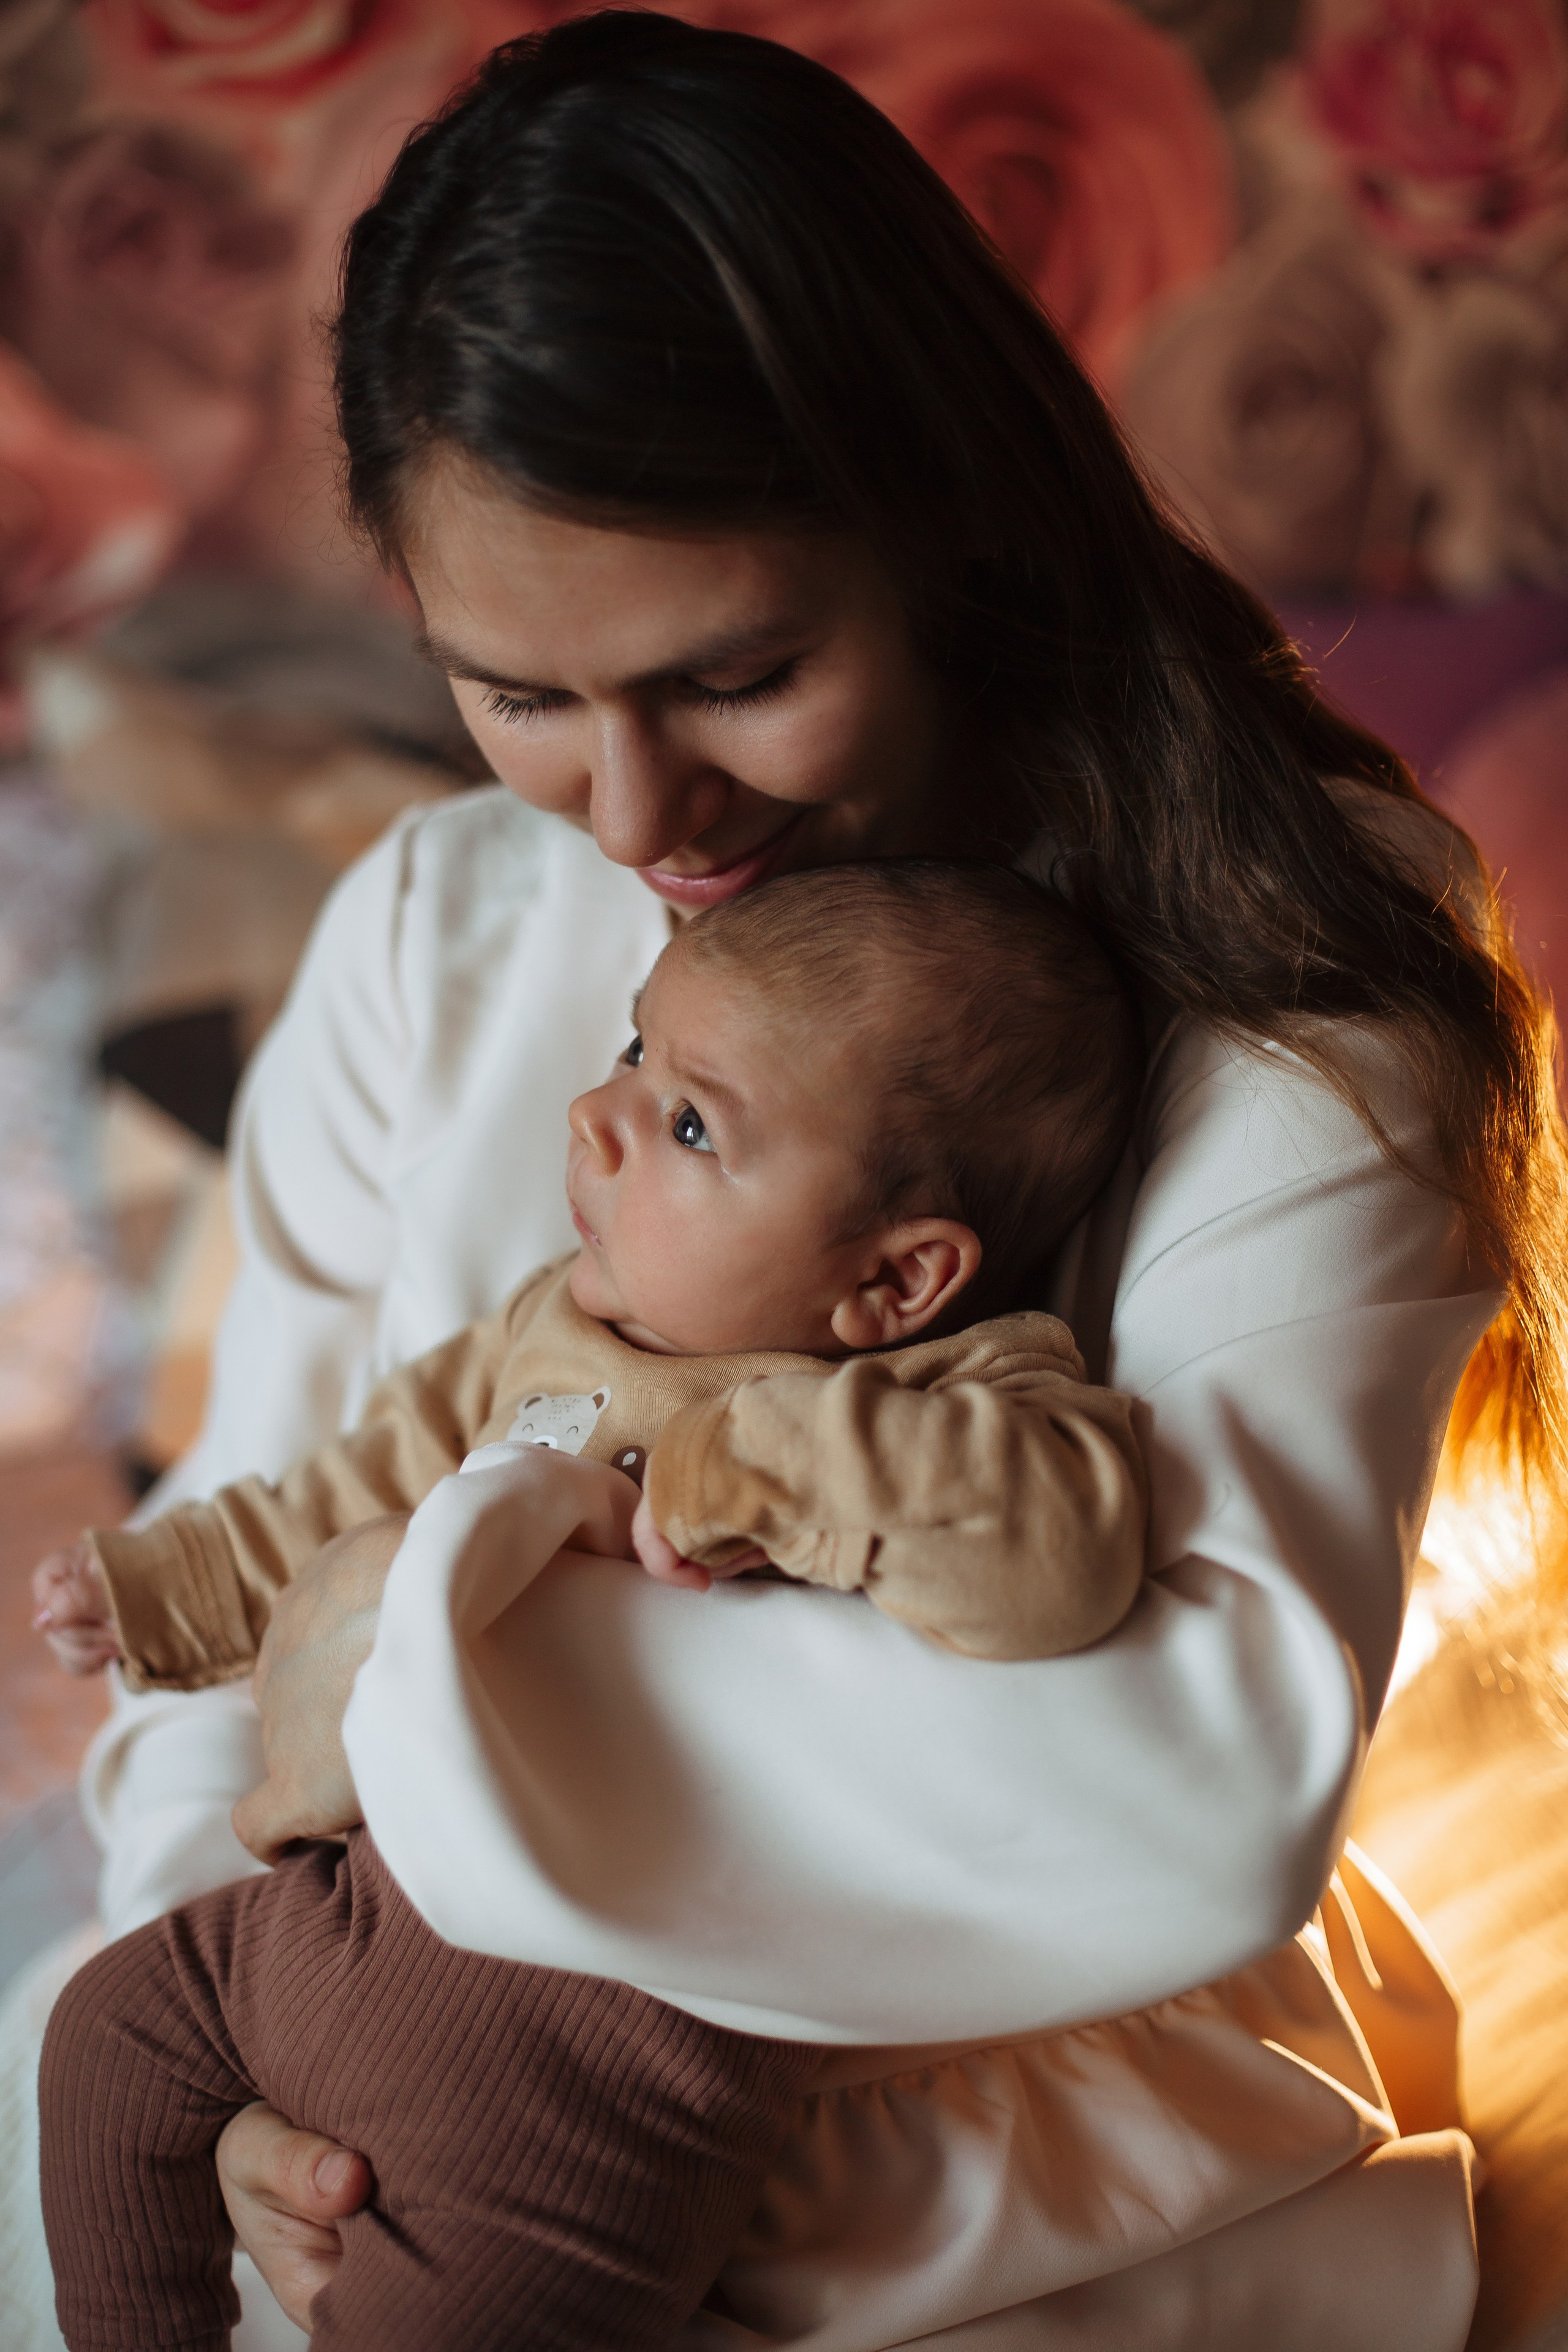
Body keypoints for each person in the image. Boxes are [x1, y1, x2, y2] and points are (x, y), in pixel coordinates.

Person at [12, 12, 1561, 2348]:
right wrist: (237, 2076)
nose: (638, 822)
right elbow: (222, 1631)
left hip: (1034, 2216)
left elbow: (1186, 1787)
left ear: (939, 517)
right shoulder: (439, 928)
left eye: (735, 672)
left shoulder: (1279, 970)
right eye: (519, 695)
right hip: (354, 2108)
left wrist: (391, 1659)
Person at [37, 860, 1149, 2352]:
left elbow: (1054, 1549)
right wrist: (159, 1589)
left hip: (589, 2065)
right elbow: (338, 1493)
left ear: (894, 1283)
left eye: (689, 1123)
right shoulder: (543, 1327)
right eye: (634, 1053)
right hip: (339, 1924)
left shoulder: (948, 1394)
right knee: (104, 2036)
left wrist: (745, 1461)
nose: (597, 1116)